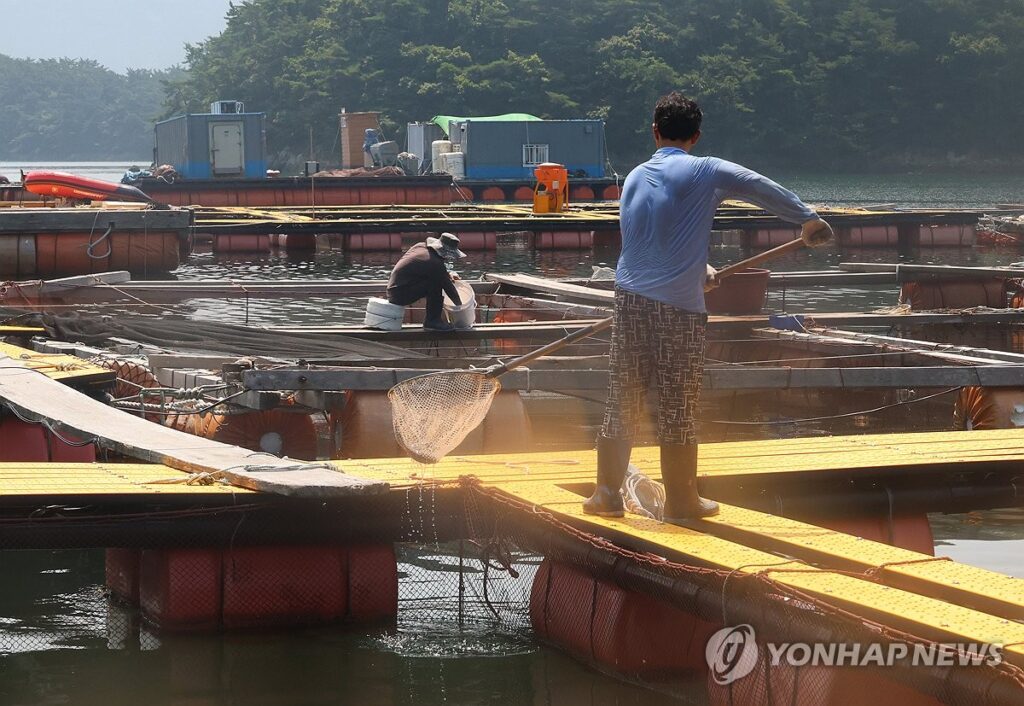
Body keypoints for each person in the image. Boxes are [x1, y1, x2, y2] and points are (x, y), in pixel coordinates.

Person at [583, 91, 832, 524]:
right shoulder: (706, 169)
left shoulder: (637, 176)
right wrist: (807, 218)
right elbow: (759, 186)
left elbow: (650, 239)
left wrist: (703, 267)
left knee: (622, 398)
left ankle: (606, 493)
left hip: (628, 300)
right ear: (695, 136)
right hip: (678, 310)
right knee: (678, 403)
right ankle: (682, 502)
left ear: (655, 131)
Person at [387, 232, 467, 331]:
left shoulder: (420, 246)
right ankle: (432, 321)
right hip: (399, 295)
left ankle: (433, 320)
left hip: (394, 288)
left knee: (435, 279)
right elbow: (449, 289)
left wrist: (445, 275)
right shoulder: (435, 263)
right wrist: (461, 308)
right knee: (435, 283)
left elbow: (423, 270)